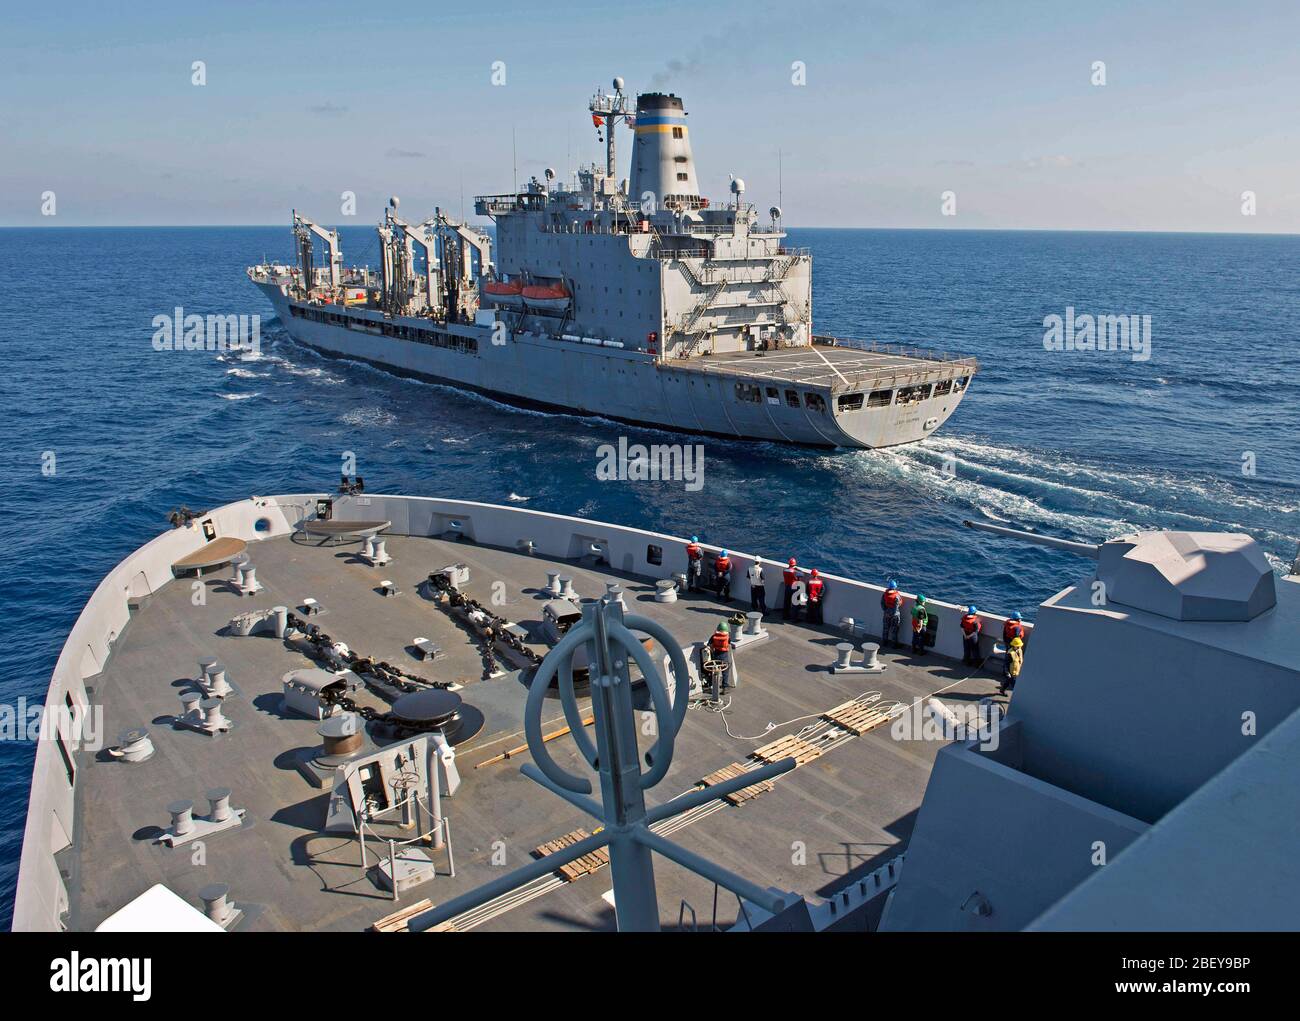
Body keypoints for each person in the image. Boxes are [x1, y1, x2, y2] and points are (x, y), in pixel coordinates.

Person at [1002, 612, 1026, 682]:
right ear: (1017, 619)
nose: (1020, 620)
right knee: (1013, 660)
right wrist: (1015, 647)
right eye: (1020, 619)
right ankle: (1012, 674)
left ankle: (1005, 672)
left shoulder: (1007, 624)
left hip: (1008, 643)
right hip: (1014, 646)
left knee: (1007, 659)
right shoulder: (1017, 627)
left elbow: (1004, 634)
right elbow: (1016, 638)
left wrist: (1006, 643)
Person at [708, 620, 732, 691]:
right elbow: (729, 644)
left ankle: (712, 685)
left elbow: (709, 645)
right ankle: (725, 686)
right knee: (725, 670)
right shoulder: (727, 637)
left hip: (716, 655)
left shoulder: (714, 636)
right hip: (724, 656)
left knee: (714, 670)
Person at [881, 579, 902, 648]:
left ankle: (884, 642)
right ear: (895, 587)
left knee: (885, 628)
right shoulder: (896, 596)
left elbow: (882, 603)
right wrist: (893, 614)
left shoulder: (885, 594)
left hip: (887, 613)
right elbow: (896, 606)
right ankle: (894, 644)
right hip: (894, 615)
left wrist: (886, 610)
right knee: (894, 630)